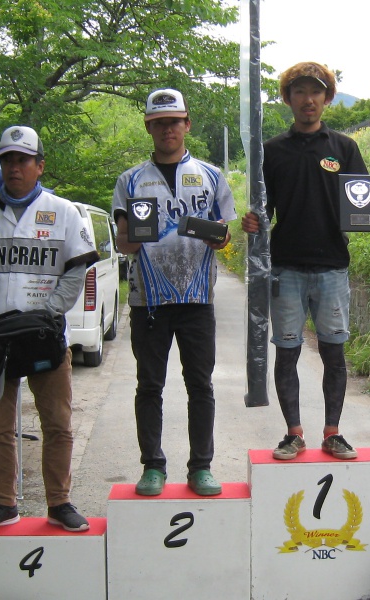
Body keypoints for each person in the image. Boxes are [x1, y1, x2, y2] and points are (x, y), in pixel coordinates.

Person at [0, 125, 98, 533]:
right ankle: (3, 503)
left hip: (42, 335)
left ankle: (60, 502)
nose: (14, 168)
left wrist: (47, 315)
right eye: (7, 160)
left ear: (39, 166)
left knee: (57, 424)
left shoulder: (64, 212)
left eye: (22, 160)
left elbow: (76, 271)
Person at [241, 62, 368, 461]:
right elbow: (263, 211)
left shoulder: (344, 148)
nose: (308, 99)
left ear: (327, 98)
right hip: (286, 267)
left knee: (334, 352)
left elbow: (361, 202)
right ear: (288, 99)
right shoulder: (272, 151)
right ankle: (293, 433)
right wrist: (253, 221)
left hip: (333, 266)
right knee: (287, 351)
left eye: (316, 92)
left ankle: (333, 432)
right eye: (299, 92)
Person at [112, 88, 235, 497]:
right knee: (150, 386)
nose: (168, 128)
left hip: (198, 299)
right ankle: (153, 466)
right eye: (160, 122)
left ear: (187, 125)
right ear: (149, 126)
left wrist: (219, 238)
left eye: (175, 121)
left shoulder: (212, 175)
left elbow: (224, 235)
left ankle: (201, 466)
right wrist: (130, 236)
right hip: (148, 300)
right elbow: (123, 244)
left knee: (200, 385)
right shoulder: (129, 180)